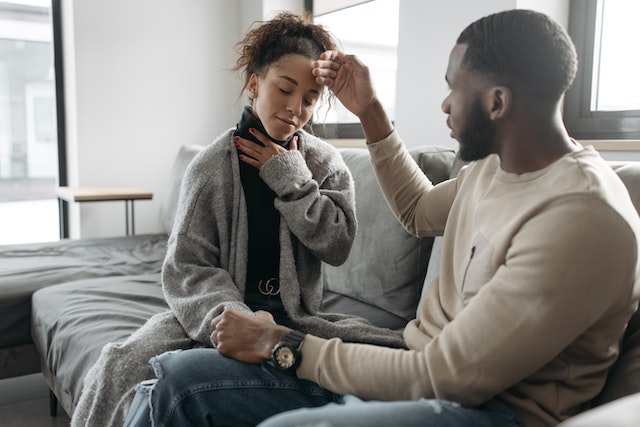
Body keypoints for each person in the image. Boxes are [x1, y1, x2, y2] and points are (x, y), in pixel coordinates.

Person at [123, 9, 640, 427]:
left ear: (497, 102)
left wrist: (282, 344)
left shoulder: (581, 216)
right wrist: (368, 109)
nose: (443, 104)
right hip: (411, 371)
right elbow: (416, 211)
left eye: (452, 88)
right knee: (171, 378)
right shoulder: (494, 171)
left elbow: (447, 376)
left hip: (487, 410)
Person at [70, 12, 404, 427]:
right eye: (285, 89)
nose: (295, 109)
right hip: (211, 316)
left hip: (295, 320)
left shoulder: (324, 164)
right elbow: (186, 268)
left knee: (398, 353)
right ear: (254, 83)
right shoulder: (210, 167)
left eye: (309, 99)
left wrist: (291, 178)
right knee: (119, 364)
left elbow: (337, 246)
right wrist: (233, 318)